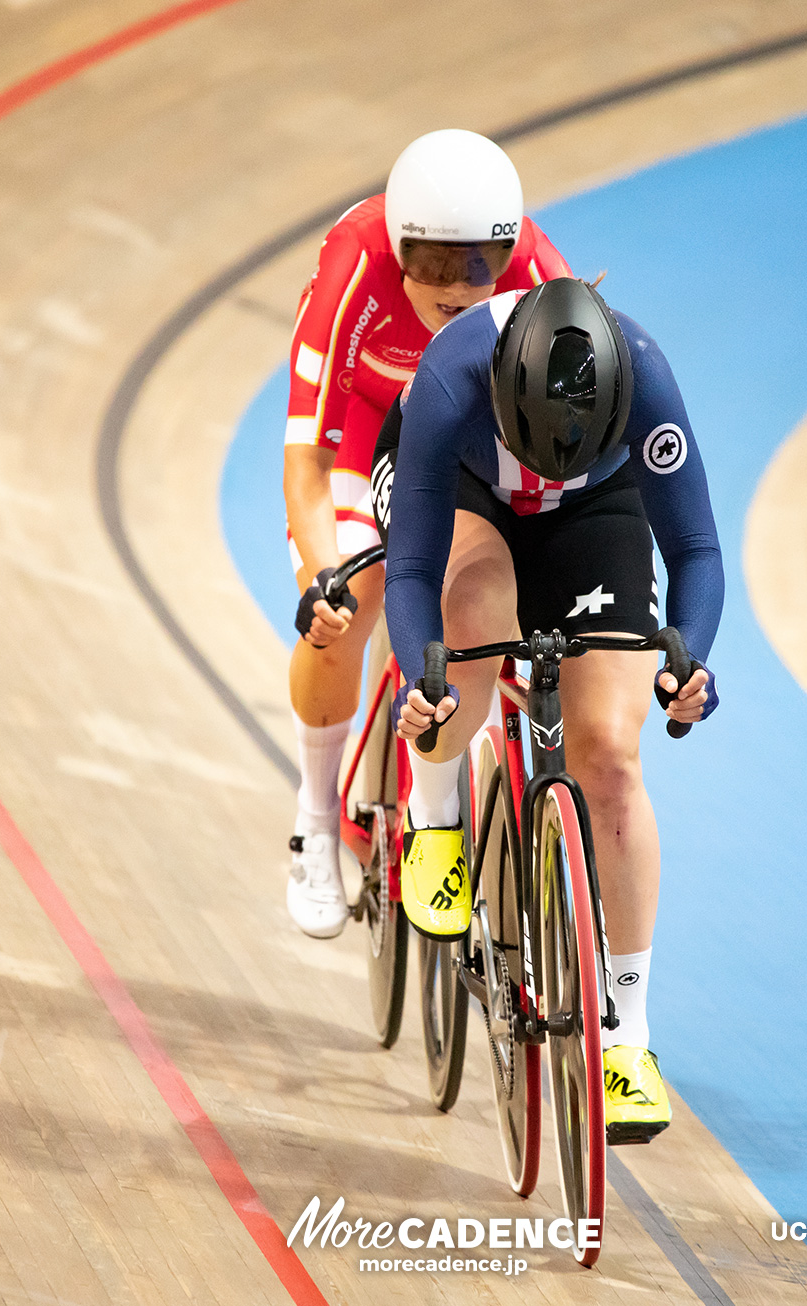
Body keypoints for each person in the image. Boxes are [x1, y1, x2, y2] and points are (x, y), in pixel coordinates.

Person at [383, 277, 722, 1144]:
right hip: (469, 495)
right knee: (475, 613)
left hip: (593, 510)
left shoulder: (645, 377)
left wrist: (689, 656)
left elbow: (693, 546)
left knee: (608, 754)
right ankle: (437, 822)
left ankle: (630, 1041)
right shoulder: (449, 382)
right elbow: (413, 572)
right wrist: (428, 686)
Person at [283, 129, 571, 938]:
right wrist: (321, 573)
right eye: (433, 264)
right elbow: (307, 452)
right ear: (397, 245)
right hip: (365, 431)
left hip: (475, 442)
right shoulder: (354, 265)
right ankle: (314, 815)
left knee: (499, 596)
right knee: (358, 597)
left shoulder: (541, 274)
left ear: (508, 249)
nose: (455, 286)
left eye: (478, 263)